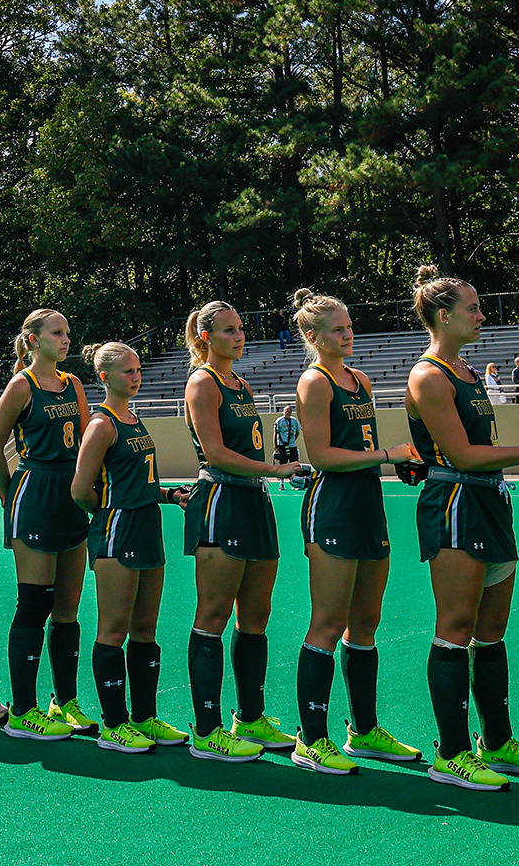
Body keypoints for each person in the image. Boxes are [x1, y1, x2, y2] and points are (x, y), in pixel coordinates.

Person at [404, 266, 519, 790]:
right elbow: (459, 453)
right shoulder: (429, 375)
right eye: (474, 308)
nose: (482, 315)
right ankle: (452, 754)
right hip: (455, 500)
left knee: (492, 631)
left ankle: (497, 743)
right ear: (444, 315)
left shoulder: (468, 371)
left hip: (489, 501)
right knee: (455, 630)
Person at [288, 290, 422, 775]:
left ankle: (363, 731)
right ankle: (311, 738)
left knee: (365, 623)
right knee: (327, 622)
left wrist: (397, 466)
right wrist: (388, 456)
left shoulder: (360, 379)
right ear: (312, 337)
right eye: (338, 329)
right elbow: (321, 456)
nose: (348, 334)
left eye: (349, 326)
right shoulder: (315, 381)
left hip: (368, 504)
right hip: (334, 508)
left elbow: (360, 447)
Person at [181, 300, 305, 762]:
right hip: (222, 501)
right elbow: (214, 453)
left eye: (240, 329)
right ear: (205, 337)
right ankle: (208, 729)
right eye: (228, 330)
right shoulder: (203, 382)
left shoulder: (241, 383)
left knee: (256, 615)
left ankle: (249, 717)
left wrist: (270, 471)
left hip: (255, 501)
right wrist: (275, 467)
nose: (239, 336)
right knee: (213, 615)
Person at [70, 341, 191, 753]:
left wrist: (168, 495)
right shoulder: (102, 424)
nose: (136, 377)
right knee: (114, 629)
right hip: (117, 531)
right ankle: (114, 724)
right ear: (104, 377)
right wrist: (109, 513)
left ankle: (144, 717)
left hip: (148, 528)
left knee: (145, 630)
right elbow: (80, 489)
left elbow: (141, 481)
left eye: (138, 370)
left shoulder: (134, 419)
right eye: (127, 372)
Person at [0, 309, 93, 740]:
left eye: (68, 332)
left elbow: (85, 441)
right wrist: (11, 495)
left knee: (67, 608)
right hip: (35, 495)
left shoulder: (74, 384)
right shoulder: (21, 385)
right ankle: (23, 710)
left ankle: (64, 701)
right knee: (34, 604)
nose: (66, 340)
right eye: (58, 333)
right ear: (32, 339)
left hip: (71, 496)